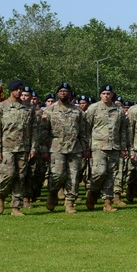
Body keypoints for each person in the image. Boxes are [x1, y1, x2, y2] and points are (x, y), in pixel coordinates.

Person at [0, 80, 38, 215]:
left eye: (21, 89)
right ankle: (1, 195)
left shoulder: (29, 108)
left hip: (23, 147)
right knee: (7, 175)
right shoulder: (1, 107)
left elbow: (34, 129)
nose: (19, 91)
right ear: (11, 90)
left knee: (20, 177)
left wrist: (33, 148)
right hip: (6, 148)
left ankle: (16, 207)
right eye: (17, 89)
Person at [45, 82, 89, 214]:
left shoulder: (77, 111)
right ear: (58, 93)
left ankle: (70, 202)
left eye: (66, 91)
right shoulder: (50, 110)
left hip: (74, 148)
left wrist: (85, 148)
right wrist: (44, 149)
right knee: (57, 175)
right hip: (56, 147)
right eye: (61, 91)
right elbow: (44, 131)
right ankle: (53, 192)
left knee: (73, 176)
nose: (63, 93)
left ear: (70, 93)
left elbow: (83, 131)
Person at [85, 84, 129, 212]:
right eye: (104, 93)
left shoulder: (119, 110)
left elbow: (122, 131)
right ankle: (92, 192)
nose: (106, 96)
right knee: (99, 172)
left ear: (112, 95)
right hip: (98, 146)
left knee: (111, 175)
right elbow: (87, 128)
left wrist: (123, 147)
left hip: (114, 146)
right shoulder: (93, 108)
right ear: (100, 95)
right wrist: (87, 146)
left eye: (108, 93)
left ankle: (107, 202)